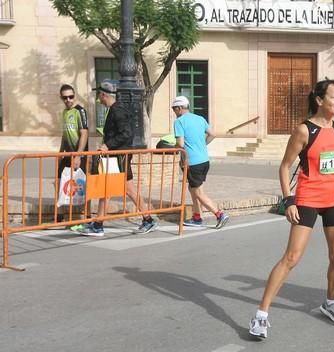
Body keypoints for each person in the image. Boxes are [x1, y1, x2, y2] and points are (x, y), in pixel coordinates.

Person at [249, 79, 334, 339]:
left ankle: (330, 303)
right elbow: (285, 166)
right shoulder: (304, 131)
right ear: (320, 100)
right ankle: (261, 316)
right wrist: (289, 200)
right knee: (292, 258)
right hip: (308, 199)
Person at [78, 80, 157, 236]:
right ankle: (148, 220)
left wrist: (108, 145)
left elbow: (126, 133)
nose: (99, 98)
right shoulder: (116, 109)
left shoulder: (117, 110)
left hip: (117, 156)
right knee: (128, 189)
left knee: (106, 189)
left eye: (99, 95)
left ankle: (98, 225)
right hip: (119, 156)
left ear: (104, 95)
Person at [171, 96, 229, 228]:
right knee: (193, 189)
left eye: (174, 109)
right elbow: (212, 134)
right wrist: (202, 145)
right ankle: (197, 217)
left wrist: (172, 148)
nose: (174, 112)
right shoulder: (200, 118)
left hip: (192, 162)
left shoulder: (179, 122)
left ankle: (219, 214)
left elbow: (180, 143)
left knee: (198, 192)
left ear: (179, 108)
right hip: (204, 160)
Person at [57, 84, 89, 227]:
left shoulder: (80, 111)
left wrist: (78, 155)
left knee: (83, 184)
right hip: (67, 154)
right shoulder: (64, 112)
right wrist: (60, 152)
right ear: (61, 98)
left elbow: (84, 133)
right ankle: (61, 216)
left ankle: (87, 216)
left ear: (74, 96)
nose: (68, 100)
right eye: (65, 97)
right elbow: (65, 134)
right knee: (61, 182)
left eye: (71, 96)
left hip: (79, 154)